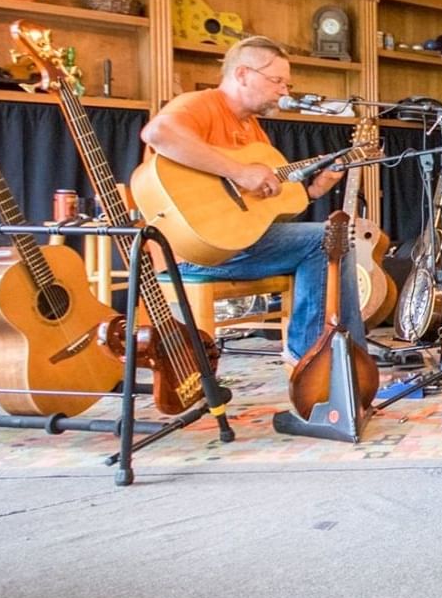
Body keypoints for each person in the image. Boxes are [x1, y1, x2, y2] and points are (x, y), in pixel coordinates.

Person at [140, 36, 357, 362]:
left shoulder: (253, 130)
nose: (285, 91)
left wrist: (313, 191)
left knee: (333, 237)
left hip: (235, 243)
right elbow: (158, 133)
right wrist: (239, 172)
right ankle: (316, 362)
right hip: (192, 249)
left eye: (287, 82)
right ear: (242, 74)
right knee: (327, 239)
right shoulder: (201, 104)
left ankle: (332, 357)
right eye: (276, 80)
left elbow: (260, 212)